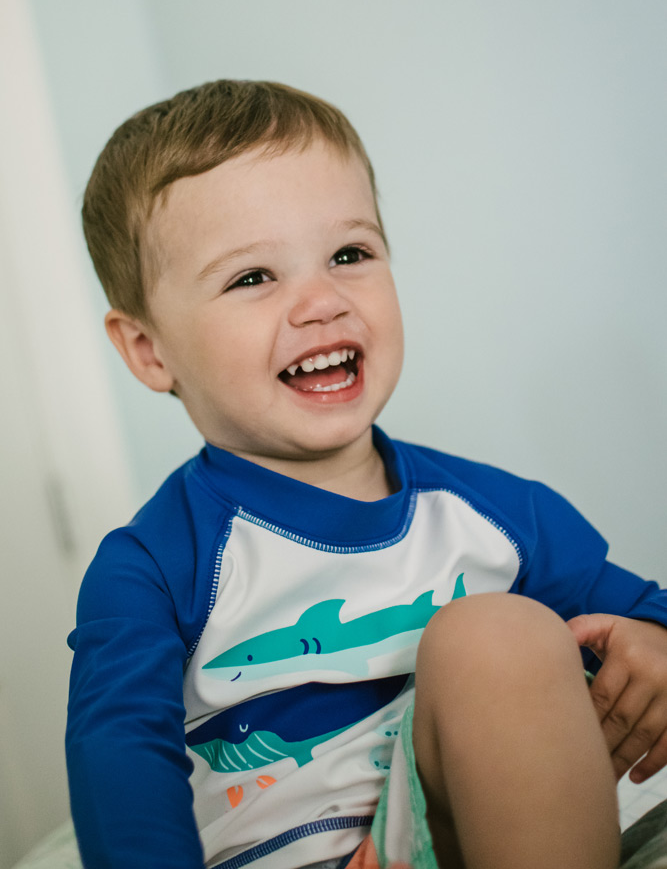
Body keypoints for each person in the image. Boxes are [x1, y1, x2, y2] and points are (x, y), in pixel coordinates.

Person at [66, 79, 667, 869]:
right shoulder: (151, 566)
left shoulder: (499, 512)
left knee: (499, 634)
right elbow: (121, 766)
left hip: (461, 837)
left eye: (349, 254)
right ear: (149, 350)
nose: (321, 301)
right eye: (253, 277)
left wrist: (652, 645)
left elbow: (643, 615)